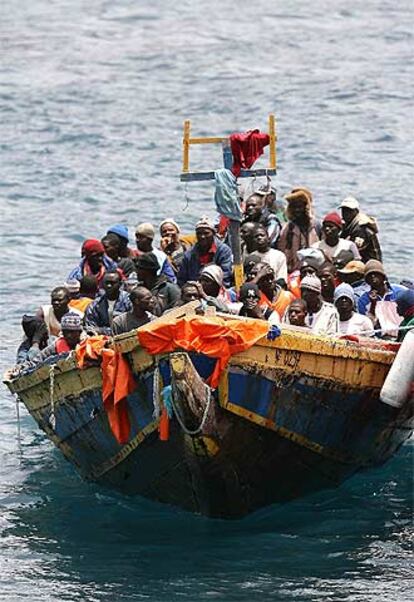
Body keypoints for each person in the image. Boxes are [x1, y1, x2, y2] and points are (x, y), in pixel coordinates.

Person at [177, 216, 233, 287]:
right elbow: (181, 279)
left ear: (213, 234)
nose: (202, 236)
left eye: (206, 233)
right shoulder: (189, 254)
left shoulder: (223, 251)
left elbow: (225, 276)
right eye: (199, 233)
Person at [358, 260, 406, 337]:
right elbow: (368, 325)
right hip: (380, 338)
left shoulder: (399, 292)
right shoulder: (363, 300)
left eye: (376, 273)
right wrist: (373, 304)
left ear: (383, 276)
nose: (373, 276)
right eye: (370, 275)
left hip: (402, 335)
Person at [277, 189, 320, 273]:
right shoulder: (288, 228)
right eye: (294, 207)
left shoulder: (317, 225)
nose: (297, 210)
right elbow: (283, 250)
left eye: (300, 207)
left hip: (314, 269)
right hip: (294, 271)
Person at [85, 270, 132, 335]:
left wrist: (101, 330)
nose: (109, 286)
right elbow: (90, 329)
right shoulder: (95, 305)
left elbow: (131, 326)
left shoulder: (129, 301)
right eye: (106, 283)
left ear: (120, 284)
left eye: (112, 283)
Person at [339, 196, 382, 262]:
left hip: (369, 263)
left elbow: (355, 251)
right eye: (344, 210)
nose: (345, 213)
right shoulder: (349, 225)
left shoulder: (361, 228)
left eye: (349, 211)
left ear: (356, 211)